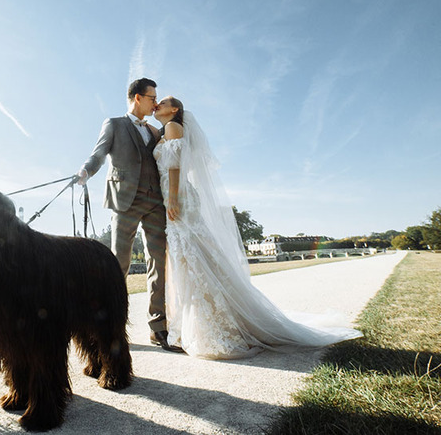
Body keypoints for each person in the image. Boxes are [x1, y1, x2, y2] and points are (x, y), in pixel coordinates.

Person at [152, 96, 362, 358]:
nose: (157, 104)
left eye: (162, 102)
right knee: (191, 259)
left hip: (179, 199)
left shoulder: (173, 126)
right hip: (175, 198)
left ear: (175, 109)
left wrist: (172, 198)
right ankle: (196, 320)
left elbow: (174, 166)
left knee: (192, 258)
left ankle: (213, 324)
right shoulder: (165, 130)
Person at [78, 78, 180, 352]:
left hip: (155, 202)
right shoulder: (114, 124)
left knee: (159, 264)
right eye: (151, 97)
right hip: (124, 201)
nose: (155, 103)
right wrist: (86, 172)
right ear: (137, 97)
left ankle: (158, 327)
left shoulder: (156, 131)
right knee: (118, 266)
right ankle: (109, 328)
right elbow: (98, 154)